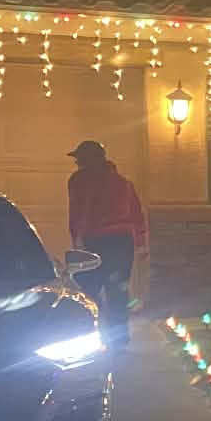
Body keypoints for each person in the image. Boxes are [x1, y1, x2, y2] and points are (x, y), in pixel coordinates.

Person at [65, 140, 148, 346]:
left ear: (85, 160)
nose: (76, 164)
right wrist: (140, 241)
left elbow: (79, 210)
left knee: (88, 290)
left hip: (96, 241)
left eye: (78, 159)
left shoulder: (79, 180)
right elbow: (136, 214)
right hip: (122, 242)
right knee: (117, 291)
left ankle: (90, 335)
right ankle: (119, 339)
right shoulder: (123, 182)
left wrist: (77, 239)